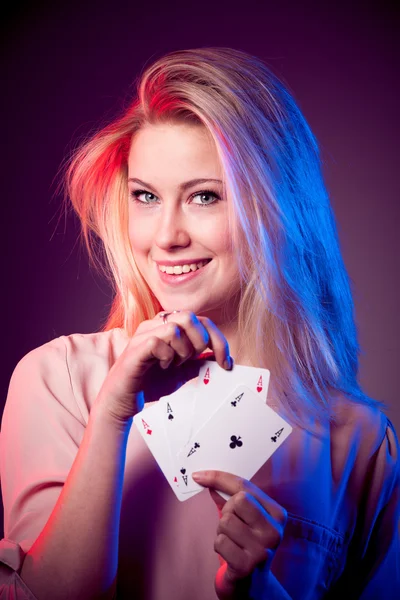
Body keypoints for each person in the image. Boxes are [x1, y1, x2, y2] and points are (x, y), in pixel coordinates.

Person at [0, 47, 398, 600]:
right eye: (146, 197)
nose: (166, 236)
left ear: (277, 208)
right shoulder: (59, 379)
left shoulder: (359, 444)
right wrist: (113, 413)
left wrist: (257, 592)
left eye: (203, 197)